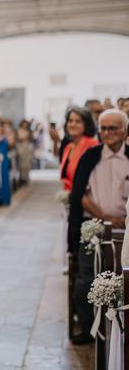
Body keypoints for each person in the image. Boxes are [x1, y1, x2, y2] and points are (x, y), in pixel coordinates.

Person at [69, 109, 129, 344]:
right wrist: (103, 216)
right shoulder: (90, 156)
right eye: (103, 128)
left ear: (124, 130)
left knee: (122, 280)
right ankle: (87, 328)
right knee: (87, 278)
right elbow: (79, 194)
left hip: (126, 228)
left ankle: (119, 332)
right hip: (92, 226)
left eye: (112, 128)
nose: (107, 133)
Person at [16, 120, 34, 185]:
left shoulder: (29, 131)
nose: (25, 125)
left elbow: (31, 139)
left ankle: (26, 177)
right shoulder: (19, 130)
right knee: (21, 163)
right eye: (24, 124)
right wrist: (24, 137)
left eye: (26, 124)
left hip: (28, 148)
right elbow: (18, 139)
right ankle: (22, 178)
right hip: (21, 147)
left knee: (28, 163)